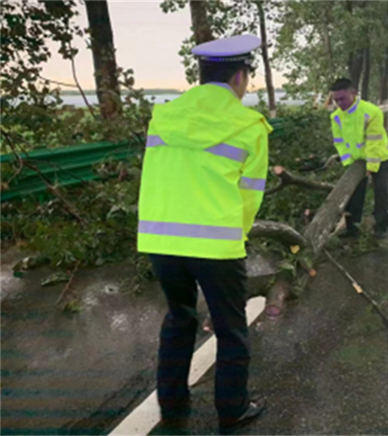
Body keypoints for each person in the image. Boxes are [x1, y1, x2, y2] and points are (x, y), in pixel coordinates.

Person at [137, 35, 270, 434]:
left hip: (160, 240)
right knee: (231, 328)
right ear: (239, 75)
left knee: (179, 319)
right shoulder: (249, 124)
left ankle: (173, 405)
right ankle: (232, 409)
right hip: (216, 245)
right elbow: (250, 196)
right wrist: (238, 235)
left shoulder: (165, 115)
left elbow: (160, 177)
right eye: (246, 77)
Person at [329, 78, 388, 239]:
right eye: (336, 100)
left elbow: (374, 141)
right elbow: (339, 141)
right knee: (354, 193)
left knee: (380, 192)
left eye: (342, 98)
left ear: (354, 93)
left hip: (379, 157)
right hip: (356, 161)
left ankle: (381, 226)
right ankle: (352, 228)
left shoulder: (371, 112)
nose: (339, 103)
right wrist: (348, 161)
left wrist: (371, 167)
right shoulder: (336, 116)